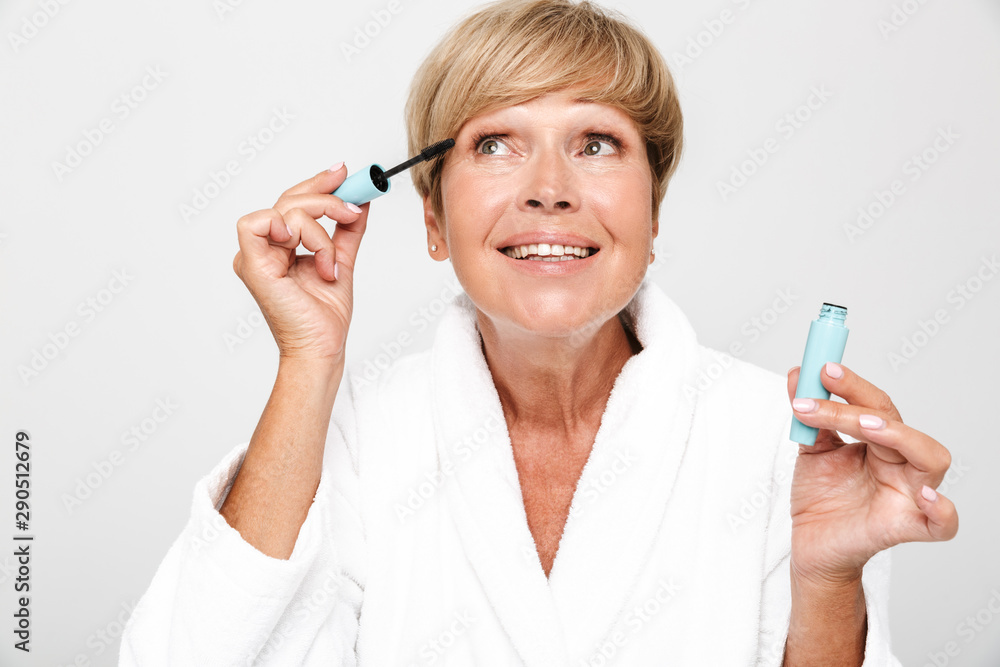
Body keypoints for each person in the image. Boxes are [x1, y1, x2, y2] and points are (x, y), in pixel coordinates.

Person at [119, 0, 959, 664]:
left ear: (653, 215)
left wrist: (829, 579)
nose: (549, 187)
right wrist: (308, 360)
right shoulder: (356, 439)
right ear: (433, 222)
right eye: (495, 144)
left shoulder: (782, 442)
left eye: (596, 143)